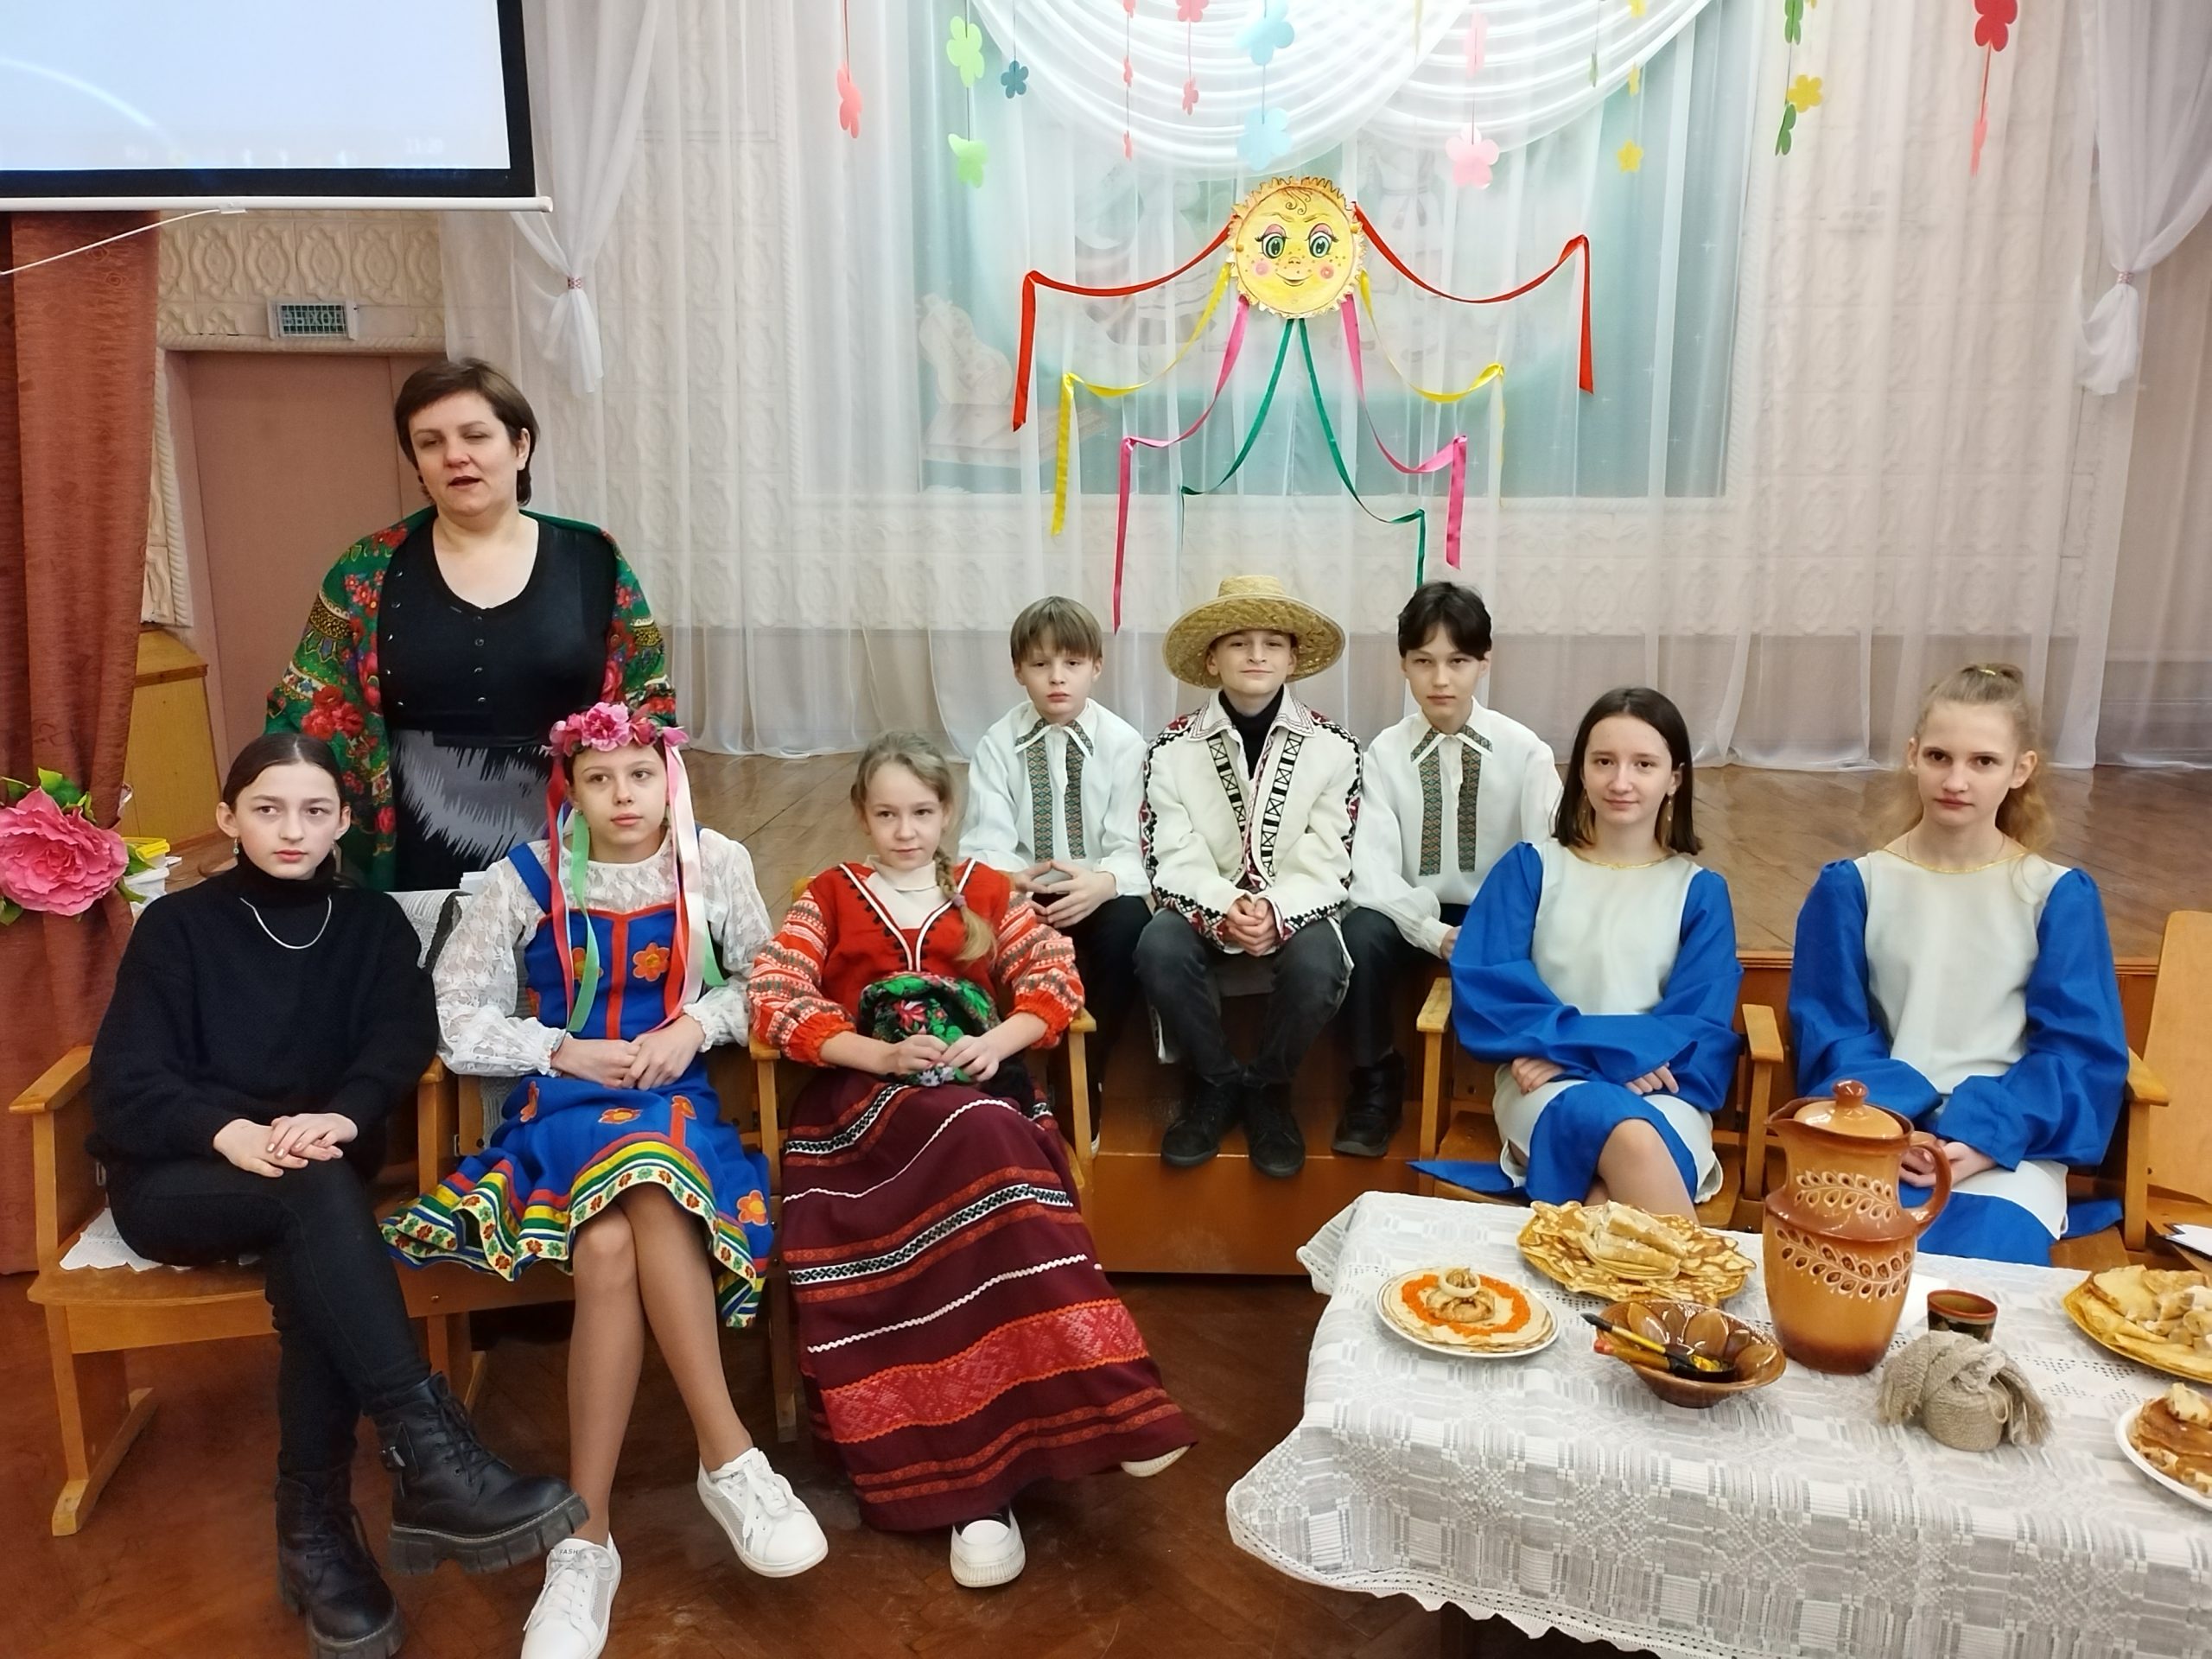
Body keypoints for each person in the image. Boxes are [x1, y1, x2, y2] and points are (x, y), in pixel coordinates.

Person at [88, 733, 582, 1659]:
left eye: (315, 811)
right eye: (267, 809)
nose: (292, 829)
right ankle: (427, 1458)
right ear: (229, 817)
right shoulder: (177, 928)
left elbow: (398, 1042)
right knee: (314, 1203)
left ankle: (316, 1529)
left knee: (311, 1237)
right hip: (181, 1177)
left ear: (344, 822)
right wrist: (228, 1133)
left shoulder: (369, 924)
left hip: (313, 1179)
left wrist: (346, 1115)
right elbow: (126, 1079)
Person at [384, 702, 824, 1659]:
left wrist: (691, 1027)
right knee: (639, 1179)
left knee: (616, 1237)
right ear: (570, 792)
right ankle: (727, 1453)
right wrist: (562, 1049)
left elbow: (767, 983)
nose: (623, 796)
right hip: (563, 1108)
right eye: (598, 779)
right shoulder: (524, 877)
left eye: (639, 775)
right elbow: (455, 1014)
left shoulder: (717, 862)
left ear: (670, 778)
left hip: (675, 1104)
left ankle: (584, 1539)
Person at [749, 734, 1194, 1590]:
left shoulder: (989, 891)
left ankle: (1091, 1416)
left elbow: (1055, 985)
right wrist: (878, 1055)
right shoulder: (830, 897)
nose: (905, 831)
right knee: (986, 1144)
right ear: (861, 815)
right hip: (863, 1118)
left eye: (921, 812)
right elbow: (772, 996)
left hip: (983, 1093)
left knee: (988, 1138)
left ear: (947, 811)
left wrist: (996, 1042)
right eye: (886, 814)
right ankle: (983, 1490)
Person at [267, 358, 675, 891]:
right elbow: (308, 711)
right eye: (430, 442)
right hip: (414, 852)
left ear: (520, 445)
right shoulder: (365, 570)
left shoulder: (593, 558)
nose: (455, 455)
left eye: (475, 435)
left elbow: (646, 703)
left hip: (571, 848)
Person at [1789, 664, 2127, 1265]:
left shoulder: (2054, 895)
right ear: (1912, 755)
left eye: (1984, 762)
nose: (1956, 780)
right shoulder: (1855, 885)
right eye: (1939, 757)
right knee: (1847, 1267)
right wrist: (1891, 1128)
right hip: (1877, 1133)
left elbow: (2078, 1050)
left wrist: (1986, 1138)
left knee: (1976, 1279)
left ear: (2021, 769)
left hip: (2008, 1144)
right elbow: (1833, 1031)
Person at [1449, 688, 1741, 1219]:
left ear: (1674, 778)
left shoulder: (1699, 892)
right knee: (1625, 1134)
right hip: (1547, 1087)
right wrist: (1614, 1058)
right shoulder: (1530, 869)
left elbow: (1698, 1022)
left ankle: (1595, 1275)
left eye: (1643, 764)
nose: (1620, 781)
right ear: (1580, 771)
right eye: (1603, 761)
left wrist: (1581, 1054)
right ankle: (1696, 1273)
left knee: (1609, 1191)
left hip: (1657, 1089)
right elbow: (1491, 990)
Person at [1134, 575, 1360, 1179]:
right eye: (1238, 643)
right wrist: (1224, 904)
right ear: (1213, 659)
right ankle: (1216, 1079)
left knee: (1319, 964)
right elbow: (1169, 853)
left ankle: (1268, 1086)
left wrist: (1276, 910)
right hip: (1203, 906)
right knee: (1157, 946)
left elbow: (1330, 856)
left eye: (1272, 643)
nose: (1256, 655)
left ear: (1293, 658)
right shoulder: (1171, 747)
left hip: (1298, 908)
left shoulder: (1335, 747)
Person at [1340, 582, 1561, 1157]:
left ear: (1485, 663)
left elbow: (1548, 862)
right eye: (1424, 662)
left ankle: (1536, 1067)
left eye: (1458, 661)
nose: (1441, 680)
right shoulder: (1383, 754)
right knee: (1358, 931)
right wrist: (1433, 933)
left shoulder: (1525, 752)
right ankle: (1375, 1078)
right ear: (1403, 666)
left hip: (1499, 918)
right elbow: (1371, 872)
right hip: (1413, 915)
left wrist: (1494, 931)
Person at [962, 595, 1152, 1096]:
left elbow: (1132, 843)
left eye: (1072, 663)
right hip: (1023, 894)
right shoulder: (998, 744)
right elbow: (985, 840)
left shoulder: (1125, 745)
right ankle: (997, 1061)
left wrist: (1103, 883)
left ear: (1096, 667)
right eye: (1040, 665)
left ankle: (1087, 1067)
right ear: (1018, 671)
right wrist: (1013, 884)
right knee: (970, 925)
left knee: (1130, 926)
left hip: (1097, 892)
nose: (1057, 678)